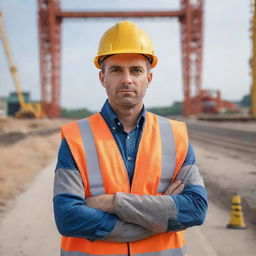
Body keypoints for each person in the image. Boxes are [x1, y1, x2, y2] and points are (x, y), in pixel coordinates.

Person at [53, 20, 208, 256]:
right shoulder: (76, 138)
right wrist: (156, 218)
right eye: (116, 70)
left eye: (136, 70)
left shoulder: (175, 135)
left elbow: (195, 209)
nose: (127, 79)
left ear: (149, 78)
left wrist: (114, 202)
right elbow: (68, 217)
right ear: (102, 77)